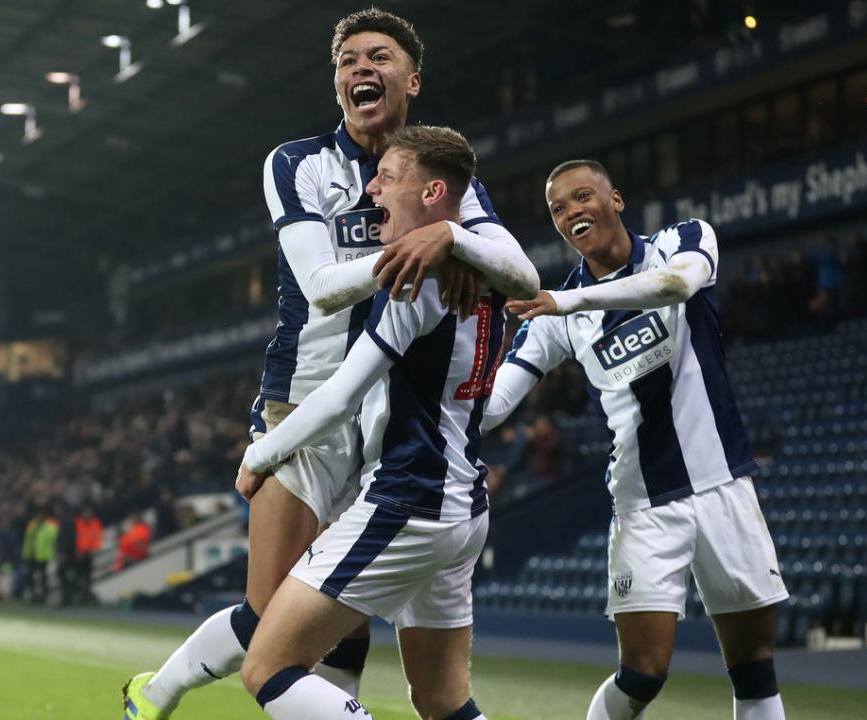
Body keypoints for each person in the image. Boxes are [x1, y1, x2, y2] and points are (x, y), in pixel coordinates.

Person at [122, 8, 537, 719]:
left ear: (412, 80)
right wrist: (423, 246)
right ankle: (154, 694)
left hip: (386, 417)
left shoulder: (437, 180)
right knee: (271, 616)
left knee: (338, 621)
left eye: (378, 57)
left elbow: (521, 274)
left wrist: (452, 238)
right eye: (347, 61)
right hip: (306, 401)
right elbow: (319, 287)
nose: (360, 69)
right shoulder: (298, 163)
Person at [484, 159, 789, 720]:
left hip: (724, 483)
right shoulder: (554, 316)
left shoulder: (681, 240)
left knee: (754, 667)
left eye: (583, 196)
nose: (572, 212)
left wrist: (568, 301)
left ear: (616, 200)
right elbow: (496, 404)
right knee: (642, 674)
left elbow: (676, 285)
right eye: (558, 208)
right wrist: (438, 387)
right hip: (644, 504)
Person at [237, 124, 498, 720]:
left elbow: (337, 398)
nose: (372, 188)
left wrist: (258, 456)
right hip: (466, 503)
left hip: (409, 498)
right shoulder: (487, 275)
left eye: (388, 178)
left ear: (432, 193)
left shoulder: (414, 283)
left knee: (267, 666)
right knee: (442, 700)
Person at [75, 505, 104, 604]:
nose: (88, 515)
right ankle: (79, 594)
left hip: (89, 554)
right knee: (78, 575)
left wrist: (94, 550)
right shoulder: (77, 523)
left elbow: (97, 537)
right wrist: (76, 550)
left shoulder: (95, 523)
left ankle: (85, 595)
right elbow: (74, 537)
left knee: (87, 575)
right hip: (78, 554)